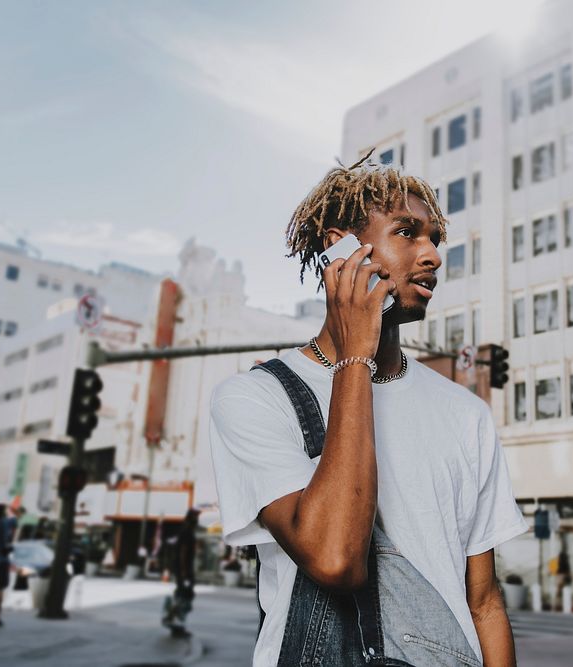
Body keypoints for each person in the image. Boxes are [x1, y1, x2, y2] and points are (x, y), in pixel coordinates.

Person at [210, 154, 528, 666]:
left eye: (434, 240)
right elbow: (336, 558)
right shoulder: (254, 399)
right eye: (406, 232)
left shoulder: (466, 415)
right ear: (341, 248)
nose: (432, 256)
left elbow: (484, 602)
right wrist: (356, 356)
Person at [162, 508, 200, 638]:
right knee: (184, 597)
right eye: (196, 517)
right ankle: (172, 619)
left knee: (183, 596)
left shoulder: (185, 532)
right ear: (192, 519)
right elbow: (183, 553)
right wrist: (184, 573)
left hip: (183, 570)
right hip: (184, 571)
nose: (197, 520)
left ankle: (175, 623)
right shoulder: (187, 533)